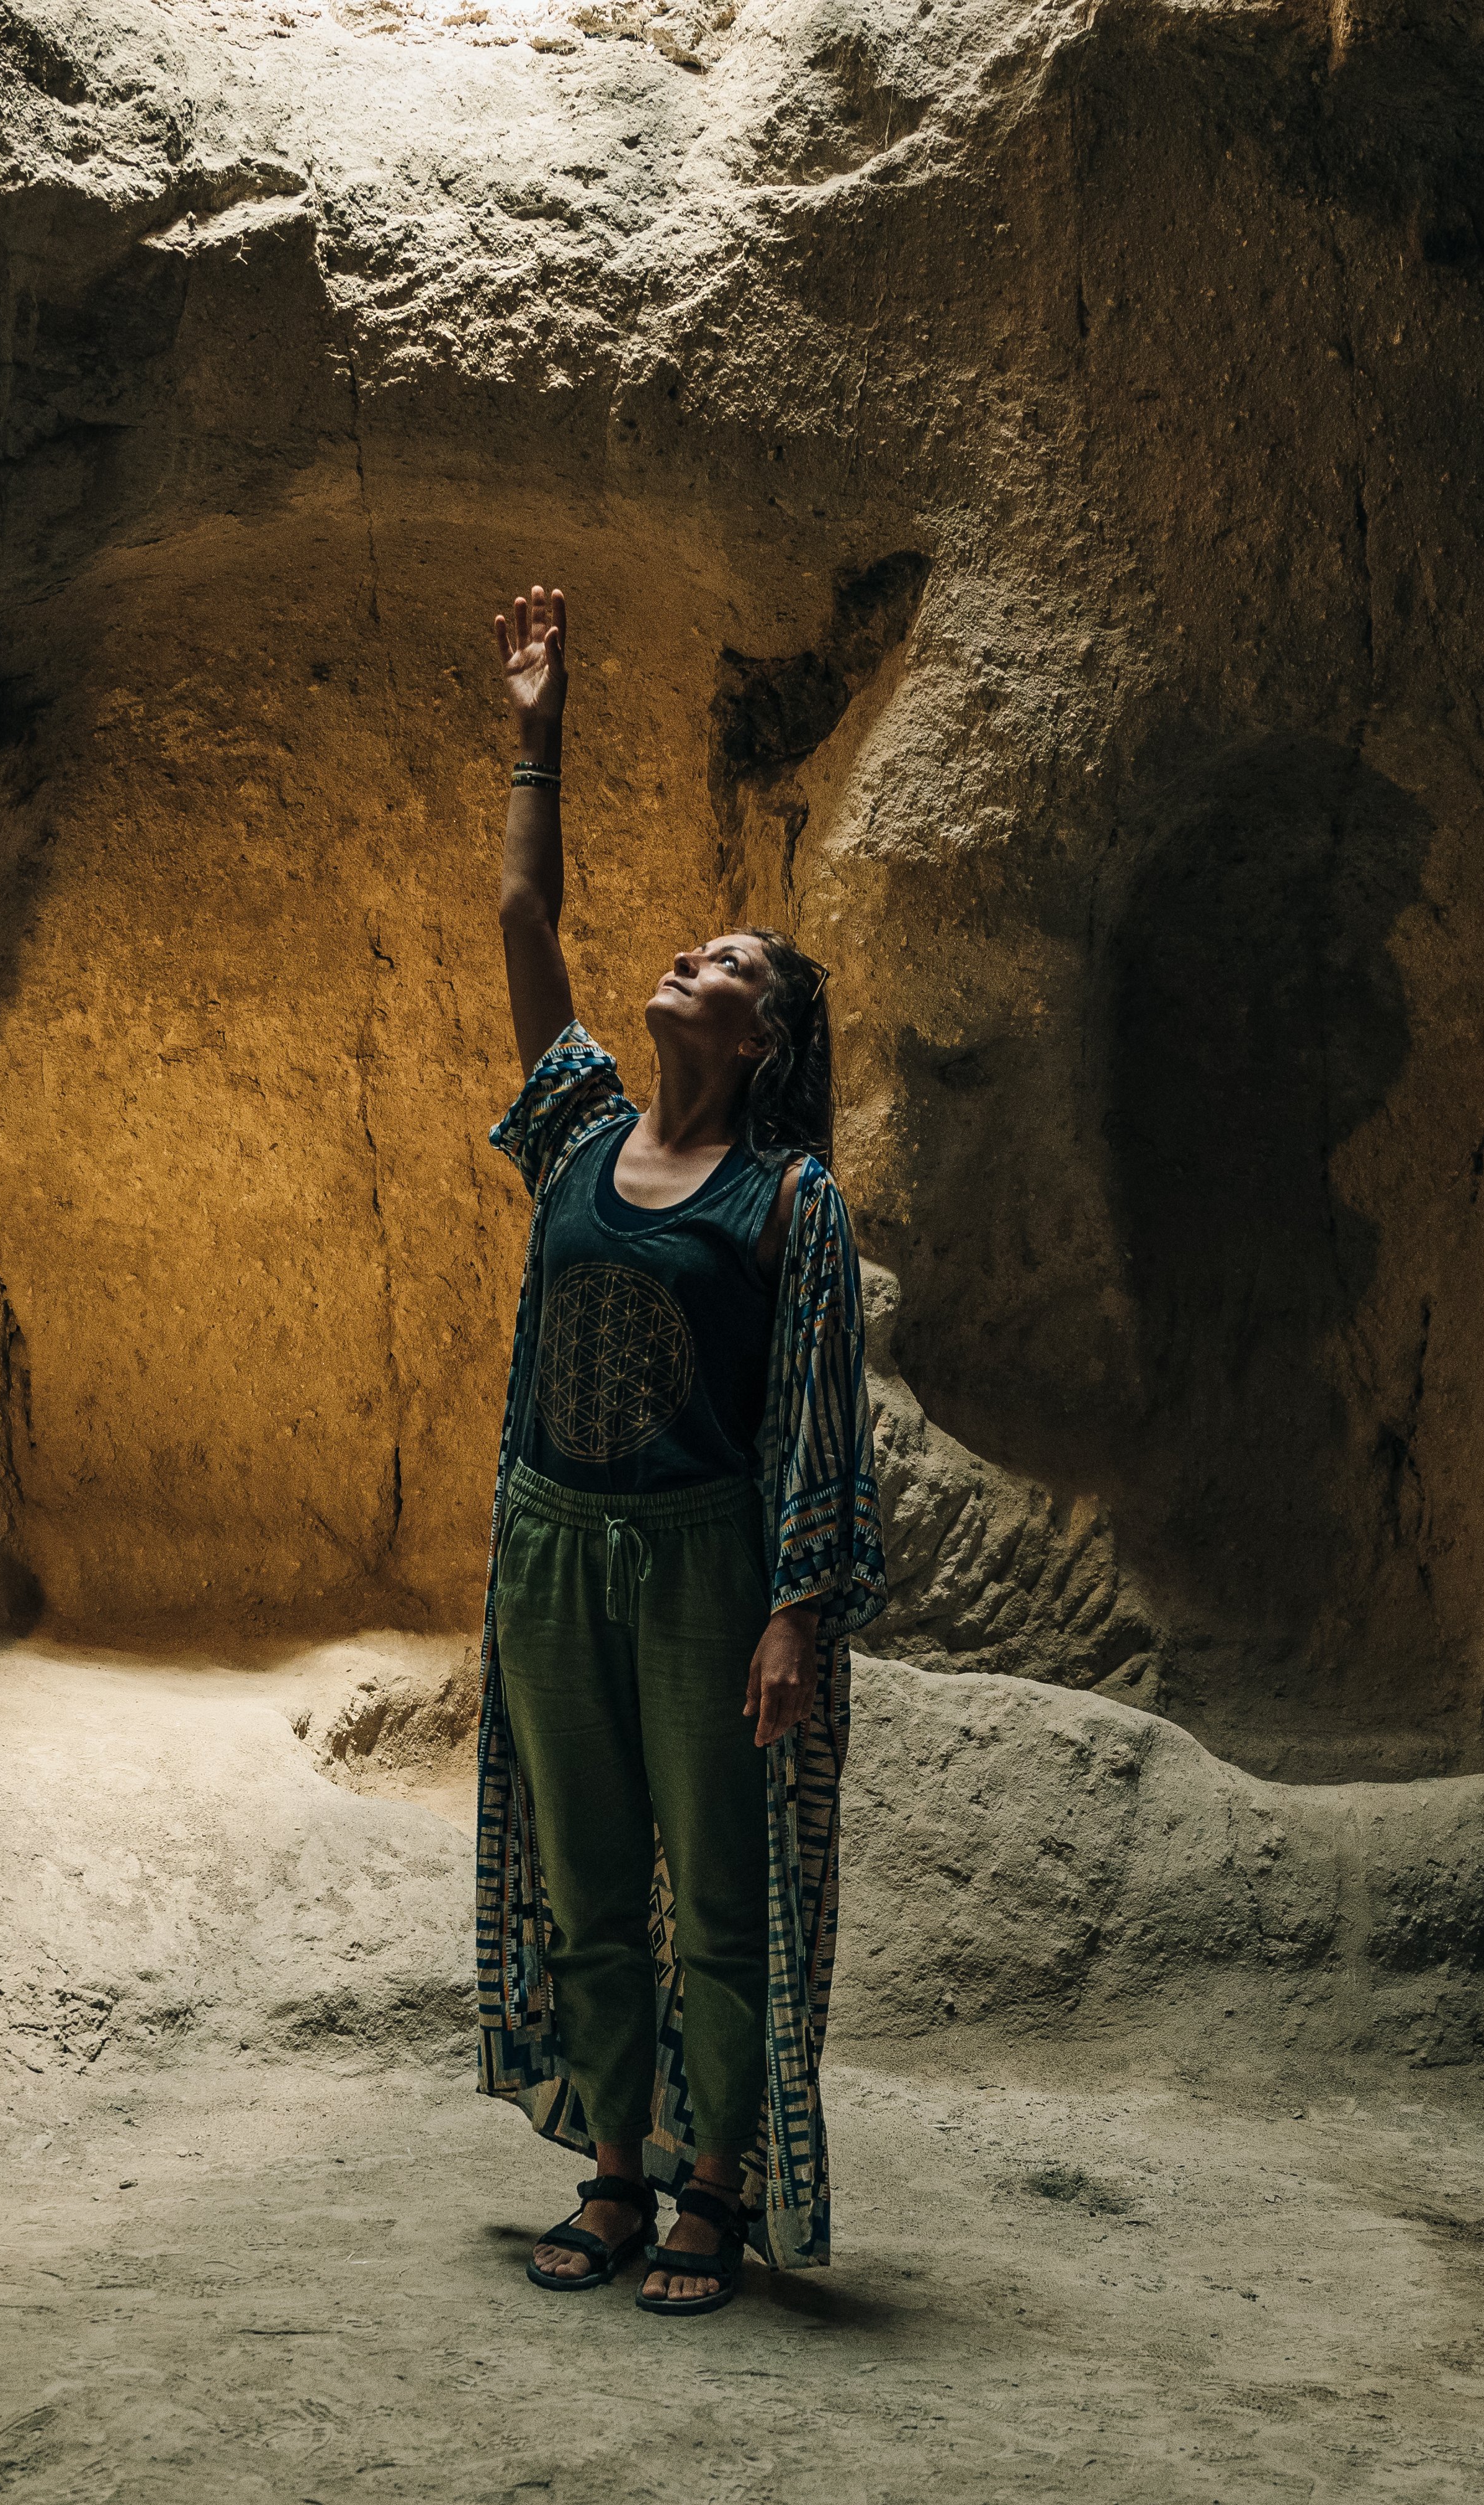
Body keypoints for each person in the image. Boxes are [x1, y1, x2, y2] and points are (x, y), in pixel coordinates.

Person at [472, 583, 884, 2317]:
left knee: (713, 1889)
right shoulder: (575, 1121)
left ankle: (714, 2185)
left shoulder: (788, 1198)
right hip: (555, 1542)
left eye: (720, 965)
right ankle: (615, 2169)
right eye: (694, 948)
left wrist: (796, 1608)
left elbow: (814, 1418)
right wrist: (535, 732)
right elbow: (518, 907)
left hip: (707, 1561)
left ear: (759, 1036)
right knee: (585, 1876)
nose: (685, 961)